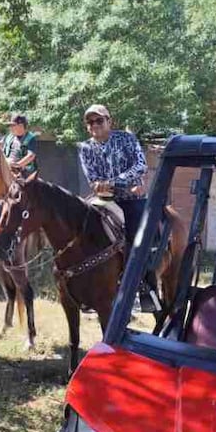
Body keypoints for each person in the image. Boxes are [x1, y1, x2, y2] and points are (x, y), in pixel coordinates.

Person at [76, 105, 159, 311]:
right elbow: (92, 178)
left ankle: (145, 287)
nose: (95, 125)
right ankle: (88, 288)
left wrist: (114, 182)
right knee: (81, 233)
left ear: (109, 121)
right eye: (90, 122)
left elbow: (140, 165)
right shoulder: (85, 148)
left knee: (138, 239)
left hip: (131, 198)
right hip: (103, 200)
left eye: (99, 120)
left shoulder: (126, 139)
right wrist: (99, 185)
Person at [1, 112, 38, 177]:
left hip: (25, 172)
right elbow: (2, 151)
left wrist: (17, 164)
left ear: (21, 126)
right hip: (8, 168)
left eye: (13, 126)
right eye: (10, 126)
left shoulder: (30, 138)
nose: (10, 128)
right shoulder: (8, 137)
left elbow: (31, 156)